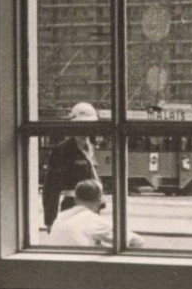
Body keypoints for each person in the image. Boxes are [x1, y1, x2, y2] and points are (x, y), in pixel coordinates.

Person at [42, 102, 99, 230]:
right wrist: (50, 221)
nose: (86, 129)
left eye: (90, 125)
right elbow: (51, 189)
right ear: (73, 125)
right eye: (82, 125)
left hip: (92, 209)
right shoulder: (61, 150)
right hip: (72, 209)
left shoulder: (90, 148)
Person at [43, 179, 142, 248]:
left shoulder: (60, 217)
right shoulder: (93, 221)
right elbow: (138, 241)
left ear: (76, 199)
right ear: (100, 201)